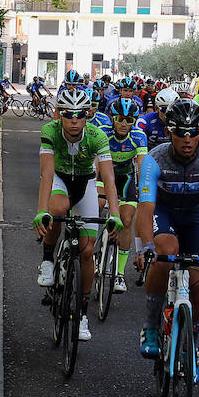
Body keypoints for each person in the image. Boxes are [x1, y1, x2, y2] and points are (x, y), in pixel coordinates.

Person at [133, 99, 199, 372]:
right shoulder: (154, 158)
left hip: (193, 214)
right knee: (166, 250)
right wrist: (145, 245)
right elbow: (145, 207)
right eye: (180, 132)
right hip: (163, 211)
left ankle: (191, 340)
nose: (187, 138)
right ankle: (152, 325)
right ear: (169, 132)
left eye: (193, 131)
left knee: (197, 283)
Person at [33, 87, 124, 342]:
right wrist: (42, 212)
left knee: (86, 252)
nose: (75, 120)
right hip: (60, 180)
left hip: (85, 184)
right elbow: (47, 175)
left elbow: (108, 178)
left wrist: (115, 214)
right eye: (69, 114)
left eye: (80, 114)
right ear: (59, 114)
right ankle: (49, 260)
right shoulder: (49, 132)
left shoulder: (96, 136)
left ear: (88, 115)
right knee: (58, 209)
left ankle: (82, 314)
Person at [97, 96, 148, 293]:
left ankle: (119, 273)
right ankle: (92, 247)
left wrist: (144, 190)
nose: (124, 123)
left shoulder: (138, 136)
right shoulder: (103, 133)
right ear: (112, 118)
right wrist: (92, 183)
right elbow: (95, 164)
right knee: (98, 206)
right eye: (120, 118)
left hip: (125, 177)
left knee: (127, 220)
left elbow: (142, 166)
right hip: (103, 174)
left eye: (129, 119)